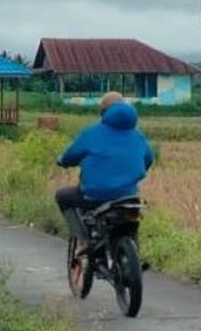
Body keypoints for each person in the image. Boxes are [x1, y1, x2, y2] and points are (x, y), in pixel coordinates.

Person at [55, 91, 154, 242]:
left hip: (94, 195)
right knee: (131, 224)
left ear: (104, 113)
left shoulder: (91, 133)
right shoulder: (138, 136)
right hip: (129, 197)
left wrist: (62, 160)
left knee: (63, 196)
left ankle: (82, 240)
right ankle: (133, 253)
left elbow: (70, 157)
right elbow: (148, 160)